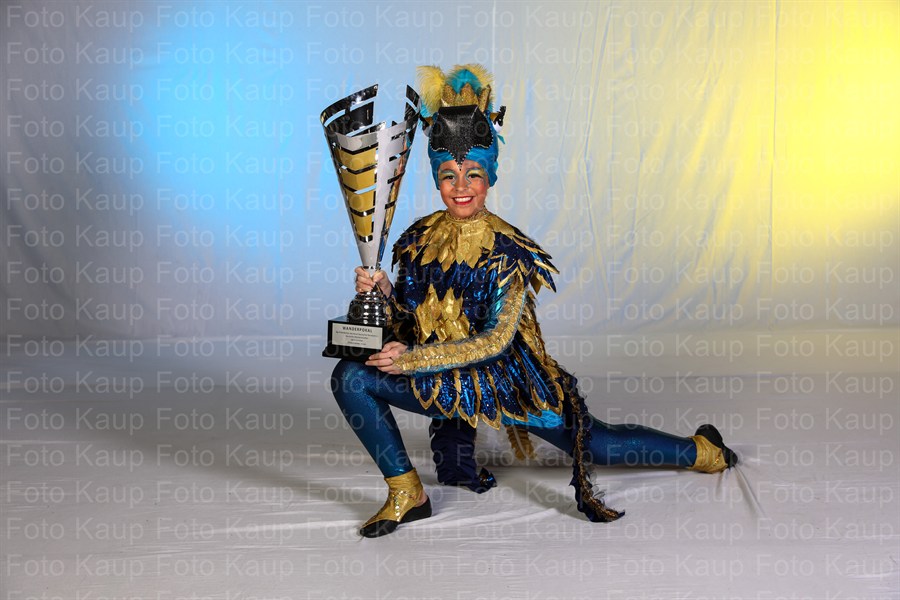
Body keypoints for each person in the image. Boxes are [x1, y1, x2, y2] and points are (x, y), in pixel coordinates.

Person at [330, 64, 737, 538]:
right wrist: (382, 293)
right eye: (449, 175)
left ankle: (701, 451)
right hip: (439, 375)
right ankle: (407, 493)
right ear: (437, 178)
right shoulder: (420, 238)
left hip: (503, 381)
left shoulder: (509, 251)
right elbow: (411, 318)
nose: (461, 187)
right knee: (350, 377)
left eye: (473, 174)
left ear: (490, 176)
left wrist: (413, 360)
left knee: (599, 444)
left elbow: (496, 342)